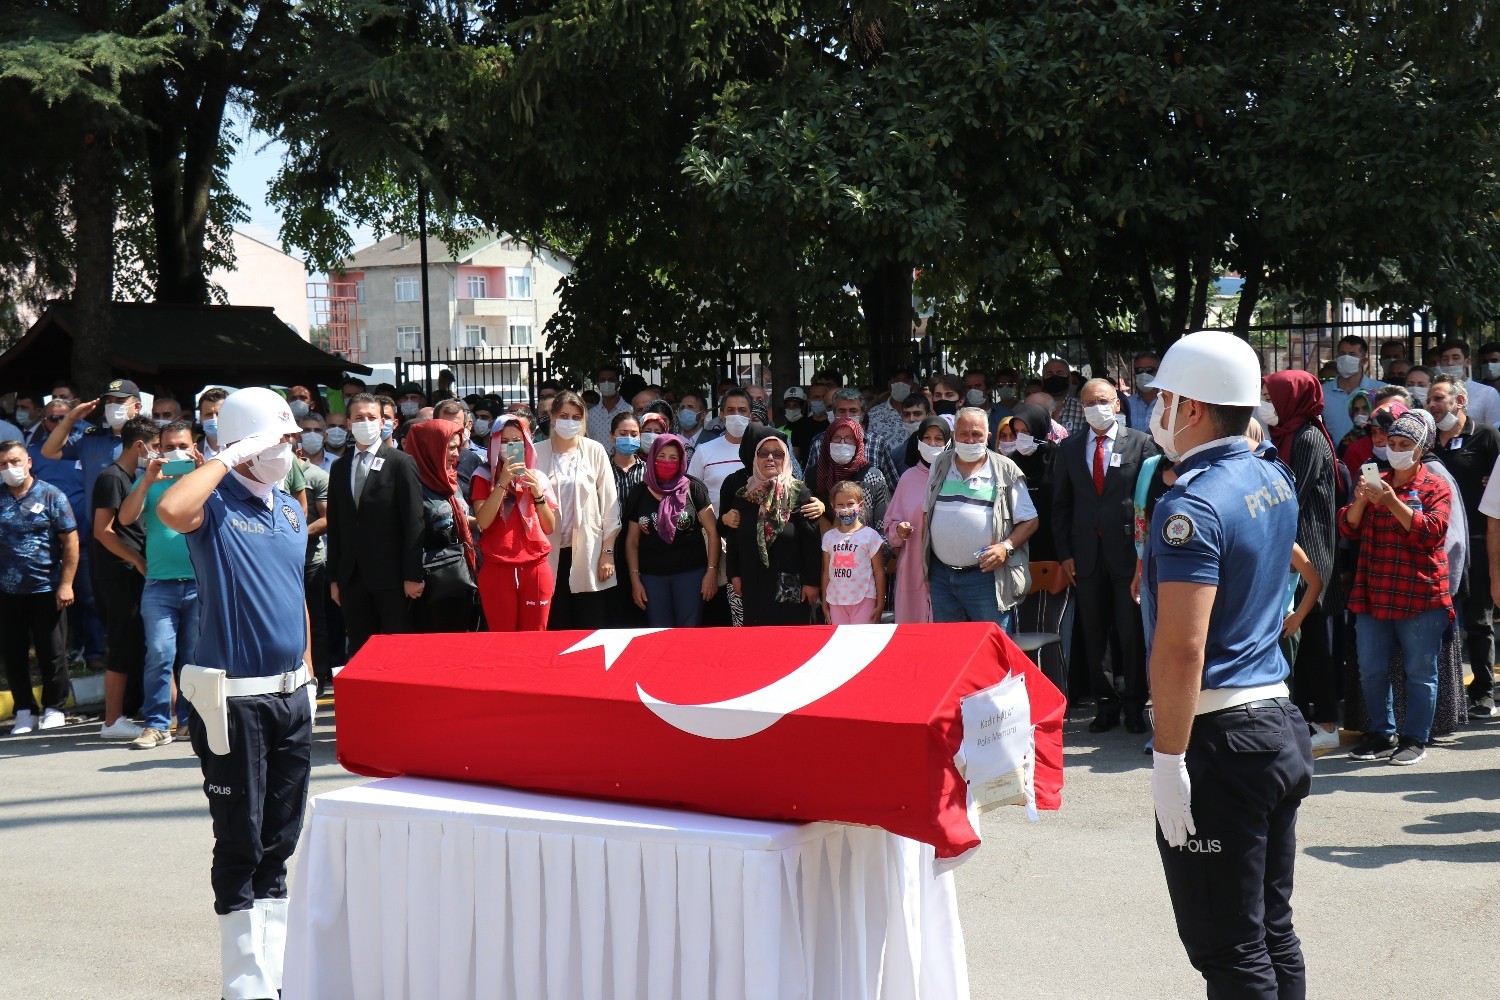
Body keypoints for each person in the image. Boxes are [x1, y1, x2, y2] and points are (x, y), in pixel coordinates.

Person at [1140, 330, 1312, 997]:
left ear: (1193, 408)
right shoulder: (1270, 473)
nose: (1156, 410)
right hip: (1274, 721)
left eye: (1164, 398)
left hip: (1222, 740)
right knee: (1271, 930)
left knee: (1231, 950)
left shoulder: (1190, 504)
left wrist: (1166, 758)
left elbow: (1183, 647)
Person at [155, 386, 313, 1000]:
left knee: (280, 838)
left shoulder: (291, 510)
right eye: (278, 442)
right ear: (246, 448)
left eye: (290, 441)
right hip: (234, 701)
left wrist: (307, 670)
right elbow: (170, 511)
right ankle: (244, 983)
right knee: (241, 838)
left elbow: (293, 595)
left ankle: (272, 976)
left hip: (291, 697)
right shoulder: (214, 503)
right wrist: (227, 453)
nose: (289, 451)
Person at [1340, 409, 1452, 766]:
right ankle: (1381, 732)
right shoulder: (1378, 480)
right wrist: (1361, 499)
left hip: (1420, 593)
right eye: (1392, 443)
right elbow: (1348, 528)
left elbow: (1431, 533)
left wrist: (1391, 501)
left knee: (1420, 671)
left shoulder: (1436, 486)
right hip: (1374, 590)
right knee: (1371, 667)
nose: (1396, 449)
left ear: (1421, 449)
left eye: (1405, 444)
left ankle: (1414, 737)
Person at [1053, 378, 1159, 733]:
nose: (1095, 407)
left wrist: (1144, 556)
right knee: (1094, 631)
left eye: (1102, 400)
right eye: (1087, 402)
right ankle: (1106, 703)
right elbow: (1062, 507)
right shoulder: (1069, 449)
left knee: (1129, 631)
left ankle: (1133, 703)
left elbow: (1148, 504)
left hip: (1129, 555)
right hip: (1086, 555)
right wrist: (1066, 554)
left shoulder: (1142, 444)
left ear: (1116, 404)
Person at [1259, 369, 1341, 752]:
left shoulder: (1307, 438)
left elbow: (1289, 492)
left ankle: (1326, 721)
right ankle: (1306, 717)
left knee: (1315, 640)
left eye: (1271, 396)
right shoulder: (1286, 434)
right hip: (1291, 548)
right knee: (1300, 641)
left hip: (1312, 550)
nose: (1266, 404)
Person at [116, 420, 200, 748]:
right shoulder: (148, 480)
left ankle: (190, 722)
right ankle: (156, 724)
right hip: (159, 585)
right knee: (160, 653)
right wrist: (147, 479)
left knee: (194, 657)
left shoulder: (203, 479)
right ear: (158, 449)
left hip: (198, 583)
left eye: (182, 445)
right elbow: (124, 519)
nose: (176, 451)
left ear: (194, 446)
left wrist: (203, 471)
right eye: (168, 447)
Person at [921, 407, 1039, 630]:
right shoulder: (940, 465)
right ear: (954, 435)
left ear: (988, 437)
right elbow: (927, 513)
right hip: (942, 576)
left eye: (976, 434)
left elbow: (1030, 520)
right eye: (964, 434)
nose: (970, 439)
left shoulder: (1005, 469)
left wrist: (1006, 547)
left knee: (992, 647)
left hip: (986, 577)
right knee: (950, 648)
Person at [1423, 374, 1500, 716]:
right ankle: (1448, 693)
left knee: (1479, 620)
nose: (1432, 405)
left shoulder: (1486, 437)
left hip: (1481, 541)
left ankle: (1483, 692)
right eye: (1429, 399)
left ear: (1460, 401)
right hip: (1442, 544)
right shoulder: (1429, 443)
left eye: (1438, 398)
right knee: (1444, 620)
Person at [326, 392, 424, 656]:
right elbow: (336, 526)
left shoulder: (400, 463)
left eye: (372, 417)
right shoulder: (339, 467)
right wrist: (335, 578)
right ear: (348, 423)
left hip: (391, 578)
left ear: (383, 422)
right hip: (352, 578)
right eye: (359, 417)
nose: (365, 422)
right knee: (360, 650)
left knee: (397, 650)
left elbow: (414, 521)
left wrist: (412, 575)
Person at [0, 438, 77, 735]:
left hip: (47, 588)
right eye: (4, 464)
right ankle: (24, 710)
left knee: (52, 651)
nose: (10, 469)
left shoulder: (51, 495)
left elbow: (71, 541)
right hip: (7, 592)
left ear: (28, 462)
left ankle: (54, 707)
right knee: (13, 652)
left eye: (15, 462)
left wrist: (66, 584)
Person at [93, 415, 158, 741]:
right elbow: (102, 532)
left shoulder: (133, 477)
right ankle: (112, 720)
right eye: (156, 446)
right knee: (121, 641)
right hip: (118, 573)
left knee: (135, 642)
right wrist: (136, 559)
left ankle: (134, 711)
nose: (158, 453)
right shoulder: (111, 478)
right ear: (139, 445)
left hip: (133, 571)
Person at [1001, 404, 1071, 694]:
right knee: (1021, 627)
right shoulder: (1010, 463)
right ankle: (1025, 691)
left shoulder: (1060, 458)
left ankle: (1059, 689)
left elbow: (1066, 505)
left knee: (1055, 627)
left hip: (1055, 554)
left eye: (1026, 432)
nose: (1020, 438)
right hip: (1019, 554)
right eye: (1016, 432)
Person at [534, 390, 620, 629]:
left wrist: (607, 553)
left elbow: (610, 506)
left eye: (575, 417)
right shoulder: (536, 452)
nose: (569, 422)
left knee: (590, 623)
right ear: (551, 417)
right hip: (547, 553)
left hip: (589, 553)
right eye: (563, 415)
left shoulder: (595, 450)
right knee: (554, 624)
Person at [724, 430, 822, 625]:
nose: (770, 458)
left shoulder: (798, 493)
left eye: (777, 454)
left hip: (789, 584)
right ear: (755, 458)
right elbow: (734, 538)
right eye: (764, 453)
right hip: (752, 582)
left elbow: (811, 542)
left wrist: (812, 582)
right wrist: (734, 574)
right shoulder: (744, 495)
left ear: (786, 459)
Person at [624, 434, 719, 626]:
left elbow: (713, 533)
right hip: (652, 577)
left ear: (682, 460)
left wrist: (711, 572)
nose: (667, 461)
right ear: (651, 458)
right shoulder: (639, 492)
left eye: (673, 457)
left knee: (689, 632)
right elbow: (632, 542)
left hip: (691, 575)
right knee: (659, 632)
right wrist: (635, 580)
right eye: (661, 456)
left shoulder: (694, 488)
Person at [474, 415, 557, 632]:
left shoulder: (536, 476)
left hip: (535, 567)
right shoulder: (482, 475)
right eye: (505, 441)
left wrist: (537, 494)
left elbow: (549, 527)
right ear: (494, 443)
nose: (511, 447)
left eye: (517, 441)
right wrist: (501, 483)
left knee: (535, 637)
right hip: (498, 568)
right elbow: (483, 521)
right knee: (503, 639)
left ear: (527, 443)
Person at [404, 419, 480, 632]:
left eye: (459, 447)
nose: (457, 454)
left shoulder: (449, 481)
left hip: (459, 579)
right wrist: (412, 578)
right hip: (428, 587)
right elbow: (409, 537)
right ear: (431, 448)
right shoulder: (412, 486)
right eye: (451, 448)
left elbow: (463, 520)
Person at [885, 417, 951, 625]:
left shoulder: (956, 477)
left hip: (947, 568)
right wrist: (899, 529)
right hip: (913, 567)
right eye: (927, 438)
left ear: (949, 442)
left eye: (938, 439)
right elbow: (890, 524)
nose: (932, 444)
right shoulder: (908, 478)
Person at [802, 388, 901, 495]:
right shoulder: (819, 443)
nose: (847, 416)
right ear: (834, 414)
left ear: (862, 414)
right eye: (842, 411)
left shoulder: (877, 443)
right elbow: (808, 485)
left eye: (853, 411)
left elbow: (894, 486)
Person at [821, 481, 886, 624]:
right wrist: (825, 602)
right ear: (833, 507)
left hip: (864, 599)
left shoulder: (871, 536)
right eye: (840, 505)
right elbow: (826, 572)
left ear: (860, 505)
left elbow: (879, 572)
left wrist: (880, 604)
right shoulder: (828, 537)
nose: (846, 509)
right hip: (836, 600)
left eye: (850, 504)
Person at [813, 417, 891, 532]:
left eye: (849, 438)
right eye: (836, 438)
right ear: (827, 441)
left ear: (858, 442)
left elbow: (884, 526)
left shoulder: (872, 476)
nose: (842, 443)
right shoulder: (815, 474)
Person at [1321, 335, 1386, 443]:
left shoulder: (1381, 390)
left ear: (1364, 361)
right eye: (1342, 354)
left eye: (1352, 354)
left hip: (1370, 457)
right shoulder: (1322, 392)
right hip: (1332, 457)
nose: (1346, 358)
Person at [1434, 338, 1500, 427]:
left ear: (1467, 362)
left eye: (1455, 358)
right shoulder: (1433, 394)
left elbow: (1494, 430)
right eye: (1445, 359)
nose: (1450, 363)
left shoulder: (1488, 393)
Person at [609, 411, 646, 521]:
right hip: (610, 534)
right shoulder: (603, 469)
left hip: (641, 534)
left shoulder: (648, 470)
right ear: (612, 436)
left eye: (634, 434)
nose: (629, 438)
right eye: (623, 434)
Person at [867, 365, 917, 445]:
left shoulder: (920, 412)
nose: (900, 384)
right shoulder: (874, 413)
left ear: (912, 384)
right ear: (889, 383)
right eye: (896, 380)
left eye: (905, 380)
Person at [586, 364, 633, 447]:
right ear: (598, 384)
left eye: (611, 380)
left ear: (618, 383)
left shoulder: (630, 411)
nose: (606, 383)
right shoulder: (590, 415)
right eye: (603, 380)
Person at [1040, 358, 1084, 435]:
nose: (1055, 377)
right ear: (1043, 380)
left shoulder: (1082, 409)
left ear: (1069, 379)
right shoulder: (1034, 409)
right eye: (1049, 374)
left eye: (1060, 373)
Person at [1124, 351, 1161, 430]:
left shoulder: (1169, 403)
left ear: (1159, 373)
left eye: (1150, 370)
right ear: (1134, 375)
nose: (1144, 374)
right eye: (1139, 370)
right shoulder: (1127, 404)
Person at [779, 386, 818, 462]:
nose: (791, 409)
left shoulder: (810, 429)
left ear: (804, 407)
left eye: (796, 405)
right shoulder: (778, 431)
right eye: (788, 406)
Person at [1337, 389, 1373, 455]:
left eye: (1365, 408)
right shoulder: (1347, 440)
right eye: (1356, 410)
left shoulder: (1380, 434)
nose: (1360, 413)